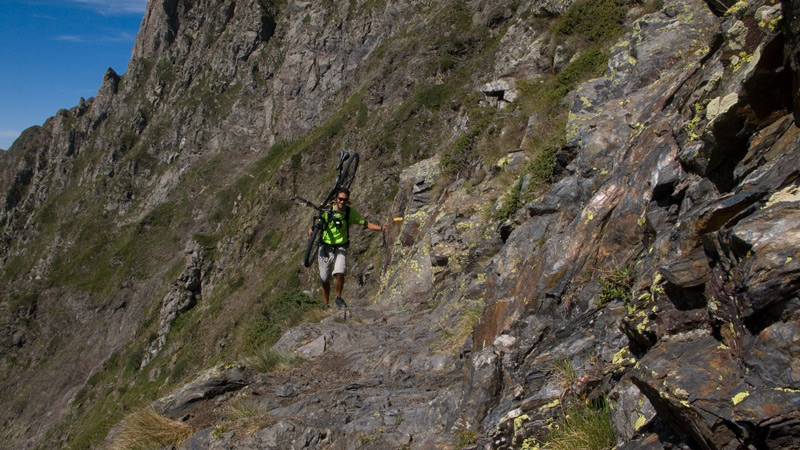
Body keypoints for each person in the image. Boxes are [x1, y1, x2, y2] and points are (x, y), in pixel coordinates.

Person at [314, 187, 385, 308]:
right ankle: (326, 304)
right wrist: (312, 230)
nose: (342, 202)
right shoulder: (328, 211)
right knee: (324, 278)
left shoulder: (350, 213)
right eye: (340, 199)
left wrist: (381, 228)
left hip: (341, 246)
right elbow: (318, 224)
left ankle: (338, 297)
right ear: (336, 199)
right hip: (325, 246)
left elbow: (366, 223)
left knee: (340, 271)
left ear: (348, 201)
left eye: (345, 200)